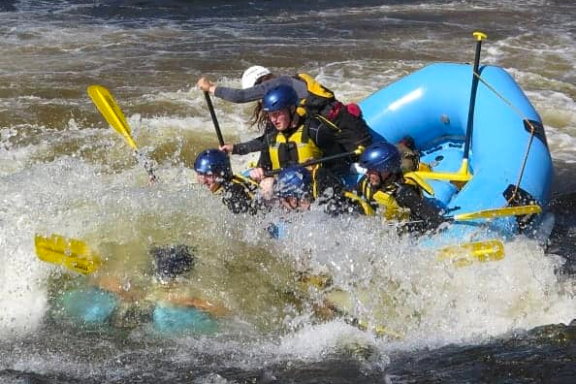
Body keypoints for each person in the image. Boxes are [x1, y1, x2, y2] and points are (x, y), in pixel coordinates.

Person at [57, 245, 228, 335]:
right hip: (136, 314)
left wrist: (190, 302)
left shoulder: (172, 297)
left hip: (141, 316)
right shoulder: (154, 290)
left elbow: (220, 310)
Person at [197, 65, 372, 152]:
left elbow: (240, 96)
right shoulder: (290, 90)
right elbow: (269, 140)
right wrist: (236, 148)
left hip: (349, 137)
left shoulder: (281, 85)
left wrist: (210, 88)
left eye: (258, 94)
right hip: (345, 127)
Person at [220, 85, 363, 189]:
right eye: (270, 114)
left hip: (312, 191)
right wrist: (259, 173)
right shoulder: (271, 138)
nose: (274, 119)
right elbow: (264, 168)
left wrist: (319, 169)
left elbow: (341, 165)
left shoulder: (315, 130)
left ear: (292, 109)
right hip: (285, 197)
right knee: (267, 184)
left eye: (278, 113)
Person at [353, 141, 444, 232]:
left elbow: (435, 220)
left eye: (371, 170)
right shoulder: (368, 181)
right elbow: (351, 196)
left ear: (385, 169)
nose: (367, 174)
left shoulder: (403, 192)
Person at [194, 148, 263, 215]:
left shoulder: (232, 194)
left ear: (221, 174)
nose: (203, 181)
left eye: (208, 175)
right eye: (200, 174)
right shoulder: (221, 185)